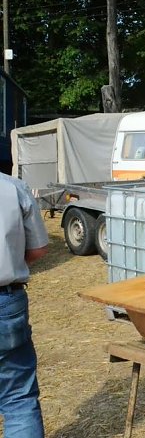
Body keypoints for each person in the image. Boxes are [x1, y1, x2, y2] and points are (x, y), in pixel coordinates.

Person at [1, 173, 50, 438]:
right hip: (5, 299)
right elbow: (39, 248)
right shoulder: (13, 187)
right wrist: (12, 263)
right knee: (18, 397)